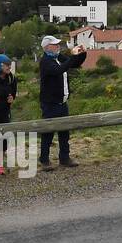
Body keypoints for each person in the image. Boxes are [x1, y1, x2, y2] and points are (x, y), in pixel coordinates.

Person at [36, 35, 87, 170]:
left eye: (58, 44)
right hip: (50, 103)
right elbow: (59, 70)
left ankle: (64, 158)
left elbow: (74, 63)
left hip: (62, 102)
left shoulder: (58, 58)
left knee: (64, 132)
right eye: (55, 45)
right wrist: (72, 57)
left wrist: (81, 54)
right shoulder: (45, 61)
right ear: (47, 47)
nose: (58, 46)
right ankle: (44, 160)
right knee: (48, 132)